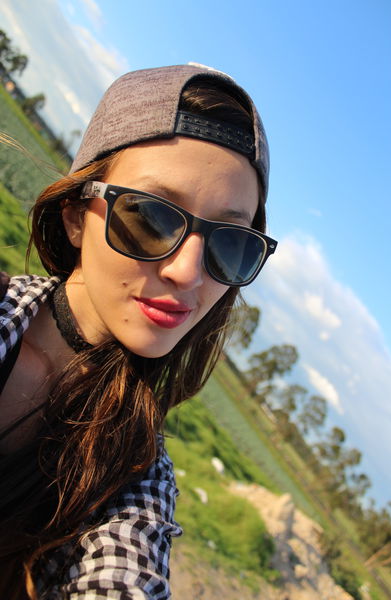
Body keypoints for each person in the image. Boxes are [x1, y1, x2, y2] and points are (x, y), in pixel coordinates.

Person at [0, 64, 277, 599]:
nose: (187, 273)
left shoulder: (134, 471)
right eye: (151, 216)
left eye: (230, 243)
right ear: (75, 215)